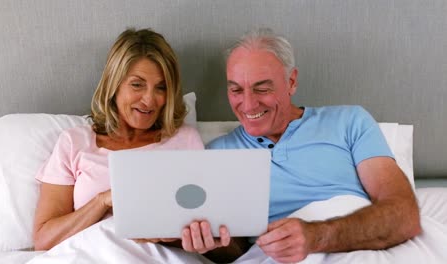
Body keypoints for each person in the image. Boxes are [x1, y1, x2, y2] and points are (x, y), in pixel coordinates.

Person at [32, 28, 249, 262]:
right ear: (114, 85)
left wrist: (169, 235)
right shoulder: (74, 142)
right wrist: (103, 201)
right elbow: (44, 240)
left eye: (161, 87)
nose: (149, 100)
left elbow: (226, 243)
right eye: (137, 84)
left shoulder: (184, 140)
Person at [207, 28, 421, 263]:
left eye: (262, 89)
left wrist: (315, 236)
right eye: (236, 89)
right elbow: (233, 250)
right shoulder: (218, 155)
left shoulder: (349, 122)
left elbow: (404, 215)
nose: (247, 105)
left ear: (291, 82)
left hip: (359, 251)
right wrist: (206, 243)